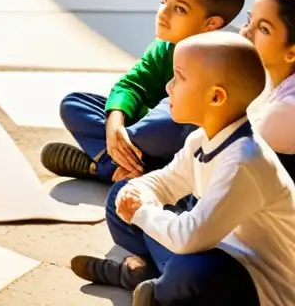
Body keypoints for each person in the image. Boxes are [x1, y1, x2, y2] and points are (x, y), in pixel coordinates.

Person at [71, 32, 295, 305]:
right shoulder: (202, 139)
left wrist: (141, 212)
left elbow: (190, 236)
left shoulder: (243, 162)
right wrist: (136, 195)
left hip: (257, 283)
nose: (168, 86)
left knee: (190, 271)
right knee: (120, 197)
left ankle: (156, 285)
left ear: (216, 97)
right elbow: (165, 183)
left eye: (179, 77)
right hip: (214, 247)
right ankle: (154, 281)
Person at [43, 0, 245, 183]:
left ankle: (107, 167)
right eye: (163, 1)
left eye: (180, 9)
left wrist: (126, 134)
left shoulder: (224, 56)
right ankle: (133, 170)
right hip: (148, 131)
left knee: (164, 125)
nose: (163, 14)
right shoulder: (166, 44)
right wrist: (115, 125)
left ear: (212, 24)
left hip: (181, 132)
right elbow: (132, 84)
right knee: (75, 104)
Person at [243, 0, 295, 177]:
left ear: (291, 53)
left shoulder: (286, 111)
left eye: (263, 29)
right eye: (250, 20)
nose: (247, 31)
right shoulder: (268, 77)